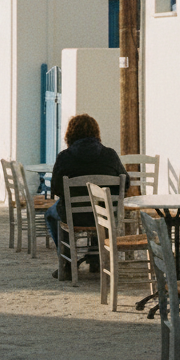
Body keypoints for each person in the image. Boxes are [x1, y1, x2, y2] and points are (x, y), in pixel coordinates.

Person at [45, 113, 126, 280]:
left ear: (70, 134)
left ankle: (67, 263)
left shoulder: (65, 157)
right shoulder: (110, 155)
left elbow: (56, 188)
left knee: (51, 215)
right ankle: (95, 259)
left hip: (74, 216)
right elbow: (125, 184)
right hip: (104, 216)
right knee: (99, 209)